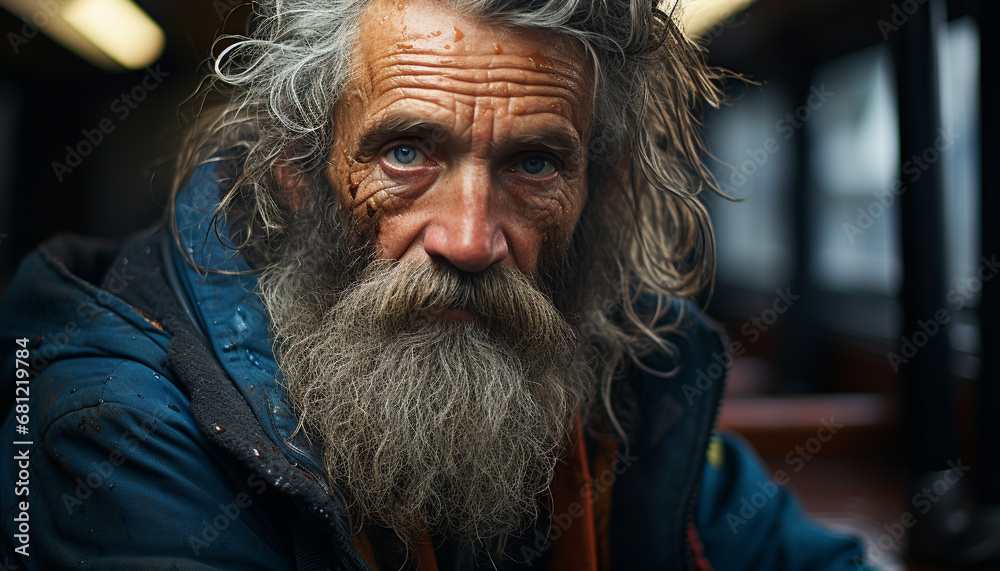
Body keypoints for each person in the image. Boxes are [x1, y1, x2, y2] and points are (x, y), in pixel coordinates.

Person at [0, 0, 872, 569]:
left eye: (534, 163)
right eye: (406, 152)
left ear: (595, 196)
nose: (468, 239)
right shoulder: (110, 430)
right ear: (296, 174)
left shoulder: (618, 375)